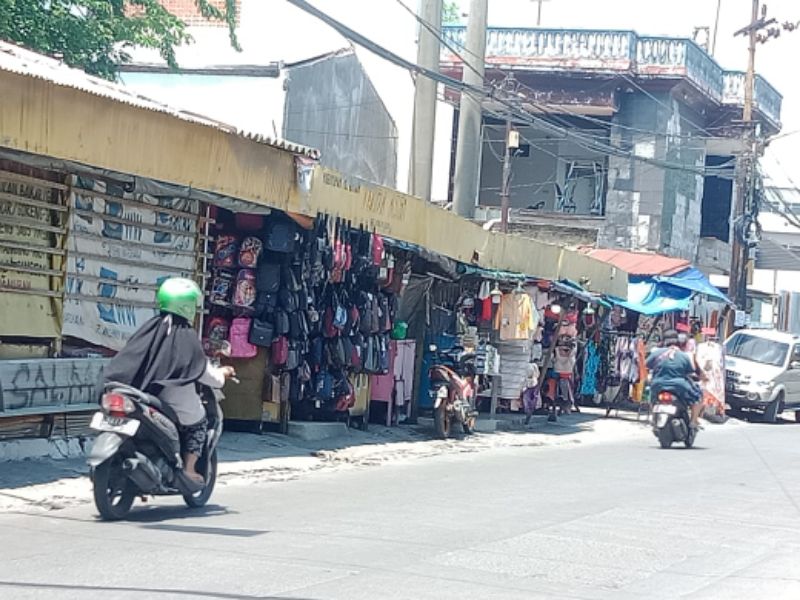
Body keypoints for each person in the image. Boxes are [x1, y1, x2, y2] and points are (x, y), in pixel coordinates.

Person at [103, 278, 235, 484]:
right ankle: (189, 470)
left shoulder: (148, 330)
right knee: (199, 424)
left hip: (140, 395)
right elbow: (209, 377)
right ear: (189, 306)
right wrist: (223, 373)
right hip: (172, 403)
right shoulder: (186, 337)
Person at [647, 329, 705, 429]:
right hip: (679, 386)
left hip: (658, 385)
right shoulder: (683, 356)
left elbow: (646, 365)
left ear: (663, 340)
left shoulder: (656, 353)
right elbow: (690, 370)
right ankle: (693, 421)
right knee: (698, 397)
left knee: (652, 398)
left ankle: (653, 417)